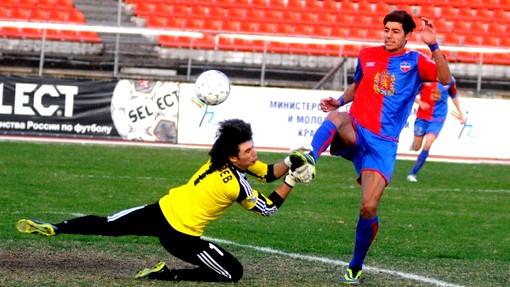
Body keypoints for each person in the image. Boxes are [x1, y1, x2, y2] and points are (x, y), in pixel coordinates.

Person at [15, 119, 315, 283]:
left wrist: (289, 161)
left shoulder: (218, 163)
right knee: (232, 273)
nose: (255, 154)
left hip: (160, 210)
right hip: (180, 236)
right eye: (249, 151)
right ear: (234, 157)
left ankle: (56, 228)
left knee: (107, 224)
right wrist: (292, 180)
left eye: (253, 148)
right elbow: (267, 208)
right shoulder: (235, 185)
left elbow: (266, 173)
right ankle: (167, 274)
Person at [308, 11, 452, 285]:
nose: (388, 35)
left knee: (368, 207)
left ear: (408, 35)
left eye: (395, 31)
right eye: (386, 29)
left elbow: (445, 78)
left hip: (383, 145)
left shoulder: (417, 61)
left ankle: (355, 266)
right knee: (337, 119)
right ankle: (308, 158)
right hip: (357, 128)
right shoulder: (366, 54)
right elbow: (357, 85)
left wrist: (433, 45)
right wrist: (339, 102)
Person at [407, 77, 464, 182]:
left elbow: (454, 95)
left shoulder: (449, 80)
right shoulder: (425, 79)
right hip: (422, 117)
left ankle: (413, 173)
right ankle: (414, 144)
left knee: (428, 144)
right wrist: (420, 103)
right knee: (416, 147)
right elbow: (411, 93)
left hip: (438, 118)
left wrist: (460, 112)